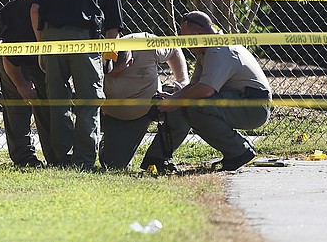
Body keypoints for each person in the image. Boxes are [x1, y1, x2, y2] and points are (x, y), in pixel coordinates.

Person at [30, 0, 124, 170]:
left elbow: (35, 9)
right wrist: (106, 60)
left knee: (57, 99)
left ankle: (62, 158)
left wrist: (42, 45)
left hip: (52, 38)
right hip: (85, 41)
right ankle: (84, 160)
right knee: (89, 101)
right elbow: (113, 30)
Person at [157, 11, 272, 171]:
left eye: (185, 38)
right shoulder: (207, 49)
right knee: (189, 104)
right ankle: (235, 152)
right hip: (242, 101)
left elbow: (205, 90)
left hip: (254, 107)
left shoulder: (219, 50)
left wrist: (176, 101)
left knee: (196, 107)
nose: (184, 43)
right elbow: (195, 85)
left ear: (198, 34)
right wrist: (174, 97)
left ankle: (240, 151)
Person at [98, 32, 191, 172]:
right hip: (118, 117)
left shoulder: (146, 43)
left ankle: (157, 158)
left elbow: (174, 50)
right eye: (108, 69)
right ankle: (106, 146)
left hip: (154, 102)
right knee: (114, 166)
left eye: (117, 71)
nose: (112, 74)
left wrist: (183, 81)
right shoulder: (97, 54)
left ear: (130, 62)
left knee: (184, 106)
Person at [0, 0, 56, 168]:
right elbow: (10, 57)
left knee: (47, 100)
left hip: (40, 51)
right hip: (13, 44)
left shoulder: (67, 17)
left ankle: (55, 156)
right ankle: (24, 157)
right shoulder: (21, 25)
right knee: (17, 102)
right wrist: (22, 85)